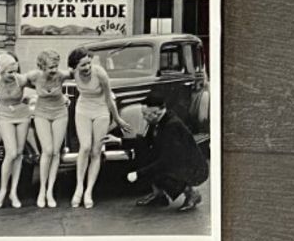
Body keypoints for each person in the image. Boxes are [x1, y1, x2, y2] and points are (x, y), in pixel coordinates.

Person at [120, 80, 211, 213]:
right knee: (143, 152)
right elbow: (145, 142)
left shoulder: (171, 126)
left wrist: (139, 173)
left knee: (161, 169)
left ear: (156, 112)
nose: (144, 117)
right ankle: (159, 195)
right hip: (174, 159)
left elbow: (168, 160)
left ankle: (192, 193)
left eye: (146, 114)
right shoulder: (157, 121)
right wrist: (119, 141)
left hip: (192, 167)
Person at [67, 46, 126, 209]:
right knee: (84, 147)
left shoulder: (100, 73)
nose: (86, 68)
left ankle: (89, 191)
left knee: (95, 151)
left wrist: (117, 118)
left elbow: (109, 99)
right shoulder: (72, 73)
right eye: (82, 65)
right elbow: (54, 78)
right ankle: (79, 187)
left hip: (101, 109)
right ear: (74, 67)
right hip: (83, 109)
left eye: (88, 64)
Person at [28, 48, 70, 208]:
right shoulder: (34, 76)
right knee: (47, 150)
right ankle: (42, 190)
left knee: (55, 152)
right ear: (42, 67)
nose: (54, 70)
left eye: (56, 66)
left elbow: (79, 73)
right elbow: (16, 81)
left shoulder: (62, 75)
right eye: (51, 67)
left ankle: (50, 191)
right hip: (41, 113)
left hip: (60, 112)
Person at [0, 52, 30, 209]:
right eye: (9, 72)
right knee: (11, 152)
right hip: (4, 115)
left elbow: (40, 85)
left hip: (22, 115)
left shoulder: (21, 79)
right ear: (1, 71)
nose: (13, 75)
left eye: (15, 71)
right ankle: (2, 190)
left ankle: (13, 192)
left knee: (19, 154)